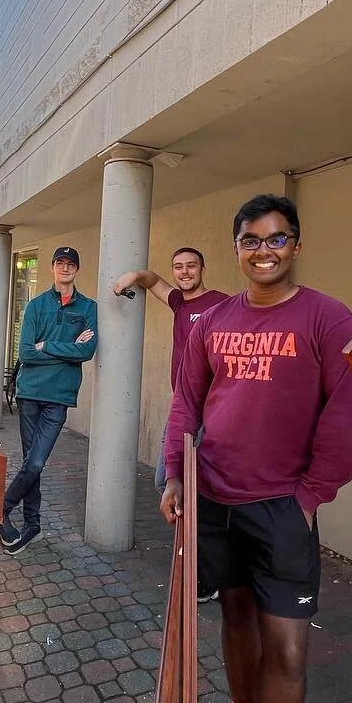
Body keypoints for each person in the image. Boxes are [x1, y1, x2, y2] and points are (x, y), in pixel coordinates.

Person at [160, 194, 352, 703]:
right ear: (237, 247)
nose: (264, 250)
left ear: (296, 246)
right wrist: (175, 471)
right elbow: (188, 400)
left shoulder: (328, 319)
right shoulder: (213, 320)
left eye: (277, 239)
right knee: (235, 622)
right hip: (217, 501)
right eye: (251, 240)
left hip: (284, 511)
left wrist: (311, 497)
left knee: (286, 647)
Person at [113, 247, 229, 601]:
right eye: (178, 267)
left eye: (191, 265)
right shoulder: (180, 302)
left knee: (201, 494)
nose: (184, 272)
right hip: (184, 409)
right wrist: (132, 277)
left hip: (212, 413)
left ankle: (207, 577)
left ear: (203, 268)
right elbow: (152, 281)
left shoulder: (222, 304)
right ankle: (201, 561)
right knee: (167, 479)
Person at [0, 246, 98, 556]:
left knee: (37, 461)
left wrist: (48, 346)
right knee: (32, 462)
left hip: (59, 397)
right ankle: (33, 525)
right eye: (60, 263)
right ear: (53, 268)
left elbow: (87, 352)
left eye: (71, 264)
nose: (65, 268)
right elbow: (26, 353)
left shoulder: (88, 307)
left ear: (77, 270)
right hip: (30, 393)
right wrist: (67, 346)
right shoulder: (35, 306)